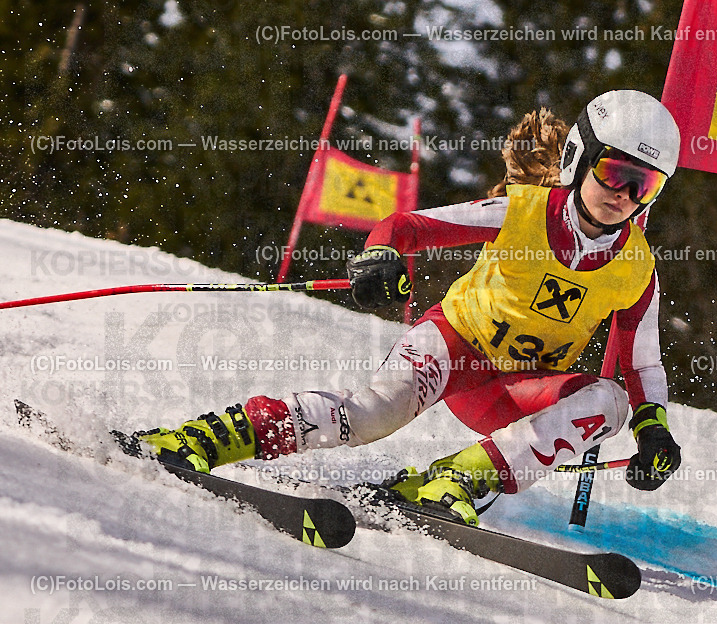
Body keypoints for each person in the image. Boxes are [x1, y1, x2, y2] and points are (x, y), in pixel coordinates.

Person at [133, 90, 683, 526]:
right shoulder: (520, 213)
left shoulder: (635, 269)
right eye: (615, 174)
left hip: (511, 391)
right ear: (579, 159)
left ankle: (454, 480)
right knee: (371, 416)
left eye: (645, 185)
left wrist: (652, 430)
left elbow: (641, 366)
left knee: (609, 399)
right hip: (450, 345)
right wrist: (380, 256)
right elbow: (407, 226)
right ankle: (210, 438)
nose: (625, 196)